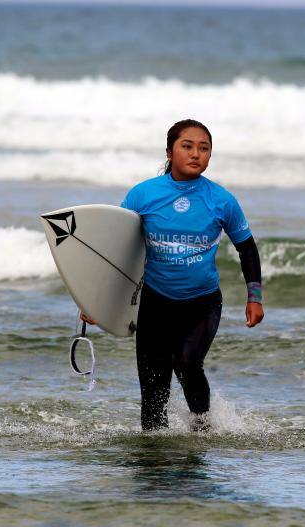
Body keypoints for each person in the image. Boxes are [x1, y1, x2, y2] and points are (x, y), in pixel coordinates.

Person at [81, 119, 264, 431]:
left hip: (202, 304)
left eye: (204, 148)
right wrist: (95, 301)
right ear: (169, 152)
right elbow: (117, 248)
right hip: (154, 303)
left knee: (188, 364)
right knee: (153, 392)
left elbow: (247, 248)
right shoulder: (143, 195)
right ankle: (154, 467)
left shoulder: (221, 200)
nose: (196, 154)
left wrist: (254, 297)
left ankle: (203, 429)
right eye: (187, 146)